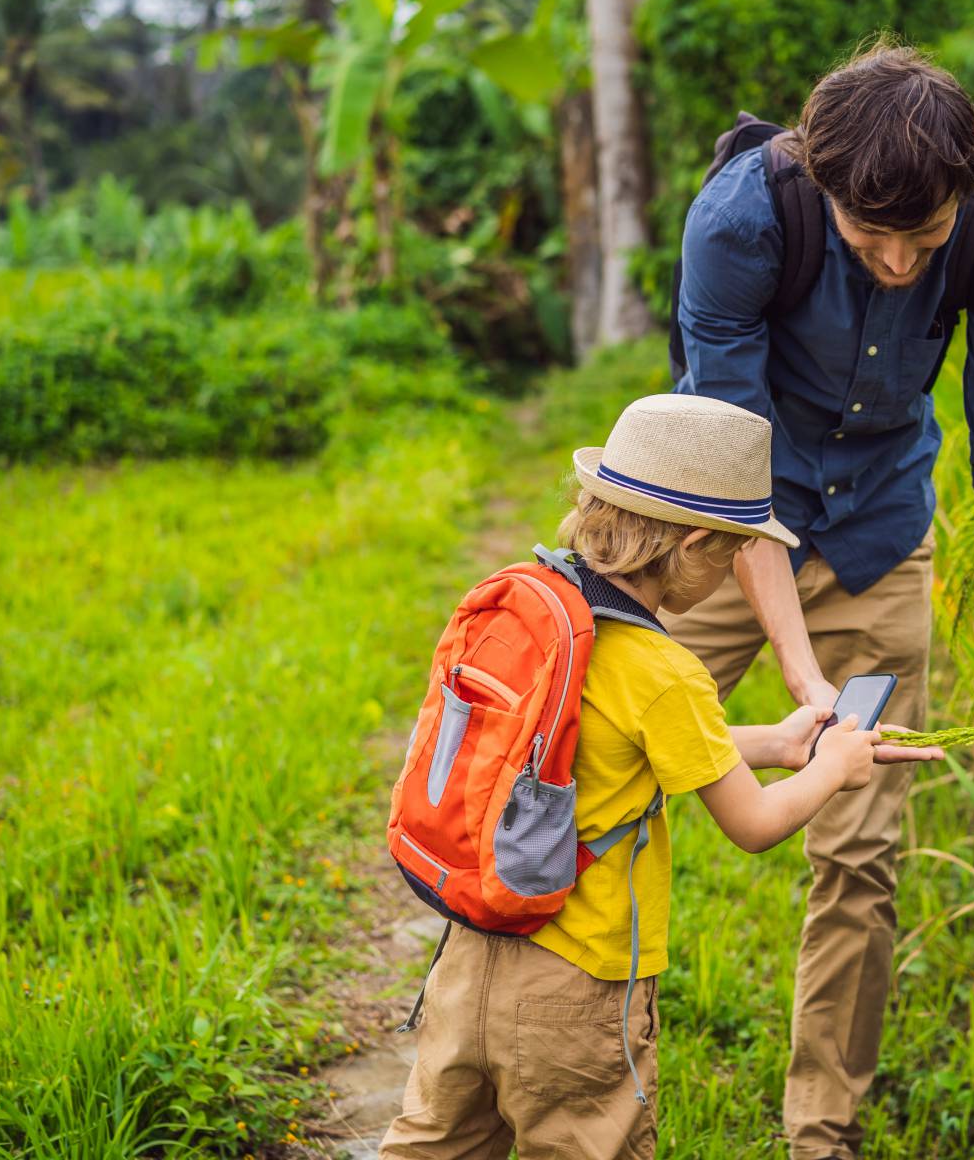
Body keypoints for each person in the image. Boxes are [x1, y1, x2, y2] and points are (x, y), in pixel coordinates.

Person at [669, 43, 974, 1159]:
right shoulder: (742, 220)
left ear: (963, 197)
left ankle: (820, 1134)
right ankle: (554, 1045)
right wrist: (804, 683)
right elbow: (732, 462)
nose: (896, 262)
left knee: (860, 851)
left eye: (921, 240)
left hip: (883, 535)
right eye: (865, 236)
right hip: (723, 542)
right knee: (596, 759)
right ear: (822, 184)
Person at [378, 393, 943, 1160]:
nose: (738, 567)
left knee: (433, 1143)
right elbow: (755, 826)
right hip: (575, 995)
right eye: (736, 551)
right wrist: (836, 769)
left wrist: (778, 743)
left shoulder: (547, 614)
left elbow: (609, 742)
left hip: (469, 957)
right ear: (695, 548)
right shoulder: (665, 670)